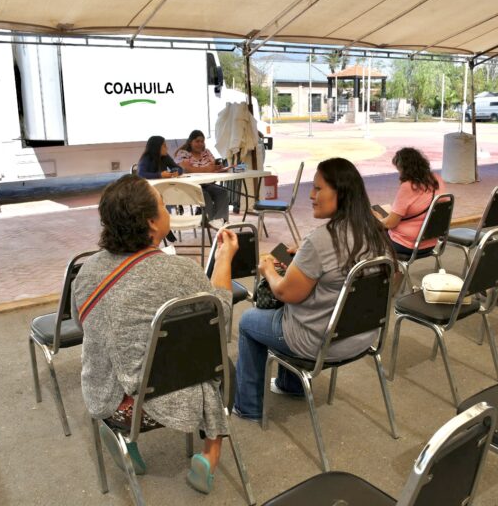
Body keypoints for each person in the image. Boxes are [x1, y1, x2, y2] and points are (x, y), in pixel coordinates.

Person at [73, 174, 238, 494]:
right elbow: (220, 322)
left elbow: (85, 327)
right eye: (163, 205)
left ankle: (125, 440)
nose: (167, 210)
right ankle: (210, 454)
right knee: (219, 365)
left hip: (114, 404)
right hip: (172, 398)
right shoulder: (181, 272)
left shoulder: (88, 270)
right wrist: (224, 259)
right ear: (151, 223)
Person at [233, 157, 397, 421]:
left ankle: (248, 406)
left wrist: (268, 270)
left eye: (318, 189)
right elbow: (388, 282)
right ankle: (290, 385)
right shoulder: (375, 232)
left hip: (319, 344)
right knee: (300, 295)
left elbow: (286, 293)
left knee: (248, 320)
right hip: (362, 338)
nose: (311, 195)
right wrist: (303, 260)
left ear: (340, 193)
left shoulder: (321, 241)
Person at [373, 147, 446, 256]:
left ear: (404, 169)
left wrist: (377, 219)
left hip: (408, 244)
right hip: (430, 242)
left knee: (371, 225)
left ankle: (386, 269)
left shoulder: (408, 187)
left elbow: (390, 223)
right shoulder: (436, 179)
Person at [174, 129, 230, 223]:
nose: (200, 144)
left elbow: (212, 166)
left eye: (202, 141)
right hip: (190, 186)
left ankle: (218, 221)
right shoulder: (183, 153)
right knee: (205, 195)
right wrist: (207, 169)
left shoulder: (206, 152)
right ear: (190, 142)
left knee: (223, 193)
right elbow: (187, 169)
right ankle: (209, 221)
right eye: (197, 141)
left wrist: (218, 168)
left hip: (207, 184)